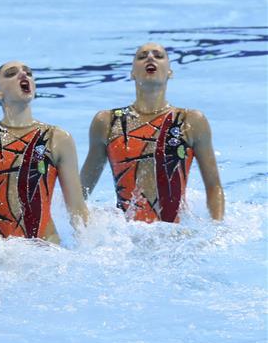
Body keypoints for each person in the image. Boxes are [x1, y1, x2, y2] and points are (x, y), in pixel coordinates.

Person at [80, 42, 224, 222]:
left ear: (169, 72)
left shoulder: (191, 121)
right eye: (142, 56)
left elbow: (213, 186)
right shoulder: (107, 122)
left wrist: (216, 229)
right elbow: (81, 191)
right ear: (132, 73)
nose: (150, 57)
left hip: (176, 234)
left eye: (158, 55)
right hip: (125, 234)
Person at [0, 61, 88, 243]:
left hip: (48, 248)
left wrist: (91, 246)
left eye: (28, 73)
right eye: (11, 73)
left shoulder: (58, 138)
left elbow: (76, 208)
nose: (23, 75)